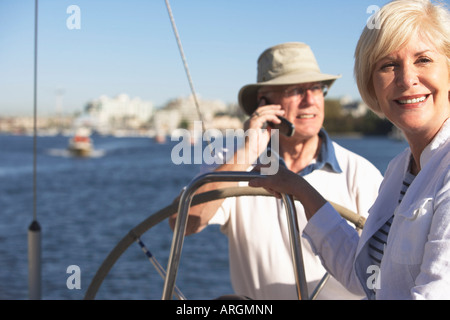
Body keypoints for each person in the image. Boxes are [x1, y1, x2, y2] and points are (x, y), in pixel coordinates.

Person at [249, 0, 450, 299]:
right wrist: (299, 188)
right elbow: (368, 278)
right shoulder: (401, 168)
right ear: (372, 85)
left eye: (423, 60)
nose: (407, 78)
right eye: (388, 65)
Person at [170, 42, 383, 299]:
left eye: (316, 88)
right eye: (295, 89)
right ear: (264, 103)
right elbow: (182, 223)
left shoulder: (361, 174)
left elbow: (386, 271)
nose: (310, 100)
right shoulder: (232, 161)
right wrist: (249, 151)